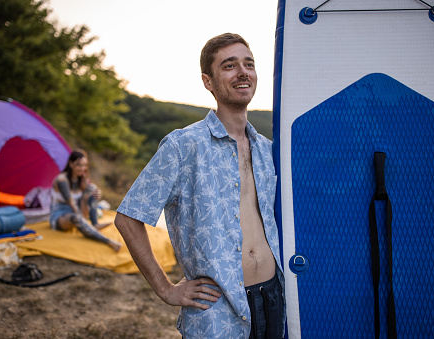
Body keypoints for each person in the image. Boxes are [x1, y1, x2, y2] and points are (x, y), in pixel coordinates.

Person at [115, 33, 285, 338]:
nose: (243, 72)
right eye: (229, 66)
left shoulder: (269, 151)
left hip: (273, 298)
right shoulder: (183, 145)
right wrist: (166, 289)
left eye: (249, 64)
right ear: (208, 81)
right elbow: (128, 218)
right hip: (218, 309)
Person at [50, 150, 121, 252]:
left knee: (92, 188)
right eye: (79, 165)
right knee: (75, 218)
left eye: (85, 165)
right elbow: (72, 204)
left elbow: (88, 195)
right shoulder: (62, 180)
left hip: (78, 212)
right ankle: (108, 241)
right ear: (70, 164)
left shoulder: (81, 179)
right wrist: (82, 220)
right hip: (60, 215)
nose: (82, 168)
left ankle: (94, 223)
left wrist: (97, 194)